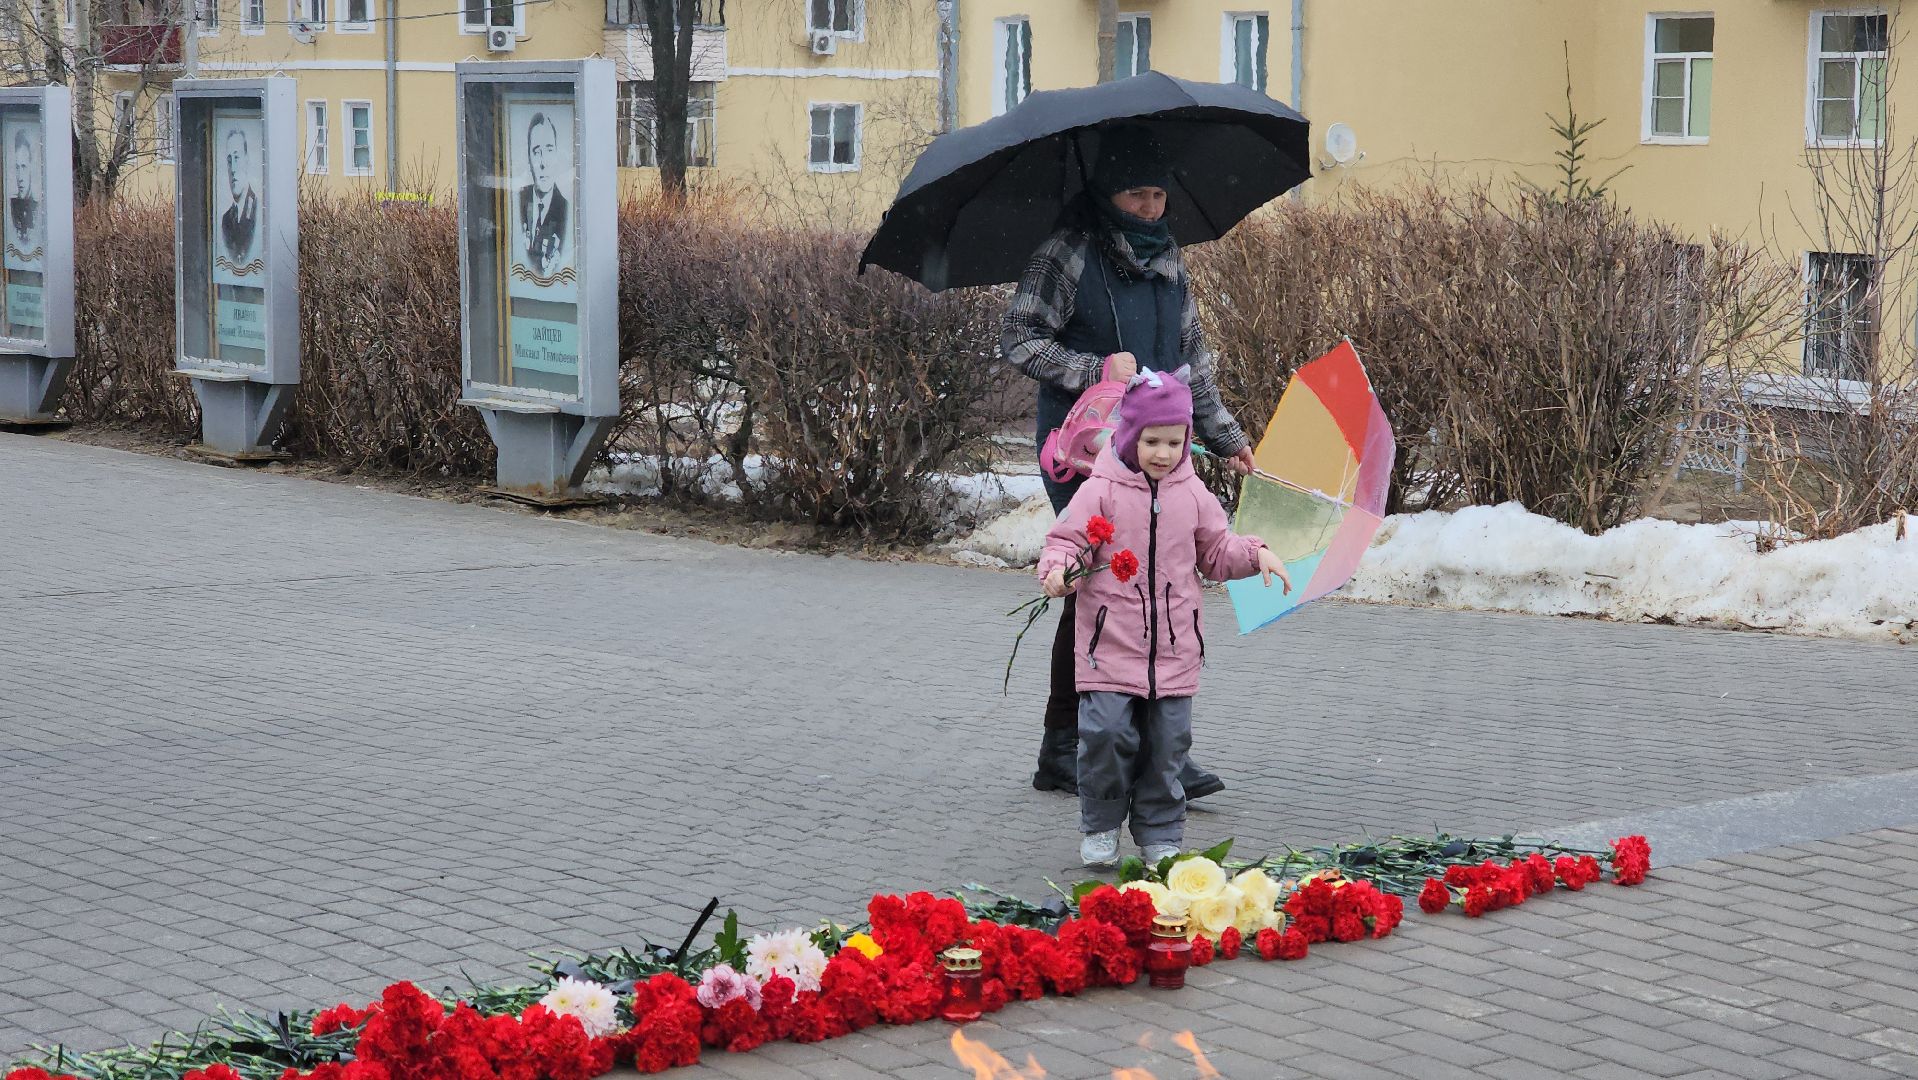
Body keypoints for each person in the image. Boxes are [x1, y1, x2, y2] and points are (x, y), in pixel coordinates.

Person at [1001, 123, 1257, 799]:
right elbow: (1020, 337)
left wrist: (1226, 437)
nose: (1150, 207)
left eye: (1157, 195)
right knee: (1100, 581)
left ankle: (1121, 747)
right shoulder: (1068, 252)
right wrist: (1092, 368)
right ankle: (1095, 748)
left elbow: (1192, 364)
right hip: (1082, 451)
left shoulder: (1170, 264)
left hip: (1159, 451)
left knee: (1153, 583)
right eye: (1137, 195)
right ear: (1109, 193)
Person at [1036, 368, 1290, 867]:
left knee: (1168, 744)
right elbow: (1067, 541)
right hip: (1109, 644)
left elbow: (1216, 550)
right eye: (1152, 440)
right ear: (1130, 437)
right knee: (1106, 735)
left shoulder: (1193, 495)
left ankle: (1159, 830)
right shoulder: (1101, 491)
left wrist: (1255, 553)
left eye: (1175, 442)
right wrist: (1061, 570)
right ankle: (1103, 823)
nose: (1163, 453)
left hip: (1174, 647)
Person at [517, 112, 569, 275]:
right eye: (536, 152)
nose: (543, 163)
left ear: (557, 155)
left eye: (549, 150)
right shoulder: (516, 201)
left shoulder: (567, 211)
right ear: (528, 159)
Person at [220, 127, 258, 264]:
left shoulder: (258, 210)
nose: (233, 169)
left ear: (247, 160)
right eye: (229, 160)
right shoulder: (226, 220)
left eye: (237, 157)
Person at [9, 129, 37, 242]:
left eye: (24, 167)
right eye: (17, 167)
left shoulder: (37, 208)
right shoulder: (12, 207)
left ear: (32, 168)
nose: (19, 177)